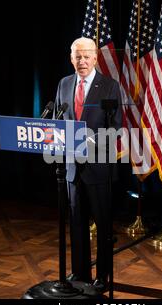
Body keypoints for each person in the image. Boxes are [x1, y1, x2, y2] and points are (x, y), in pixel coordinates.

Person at [54, 37, 122, 292]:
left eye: (86, 56)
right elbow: (58, 121)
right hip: (71, 168)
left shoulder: (109, 86)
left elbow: (115, 127)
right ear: (71, 58)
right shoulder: (64, 84)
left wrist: (89, 141)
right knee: (77, 222)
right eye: (77, 56)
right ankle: (80, 271)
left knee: (103, 224)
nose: (82, 61)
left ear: (95, 58)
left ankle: (103, 275)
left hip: (98, 167)